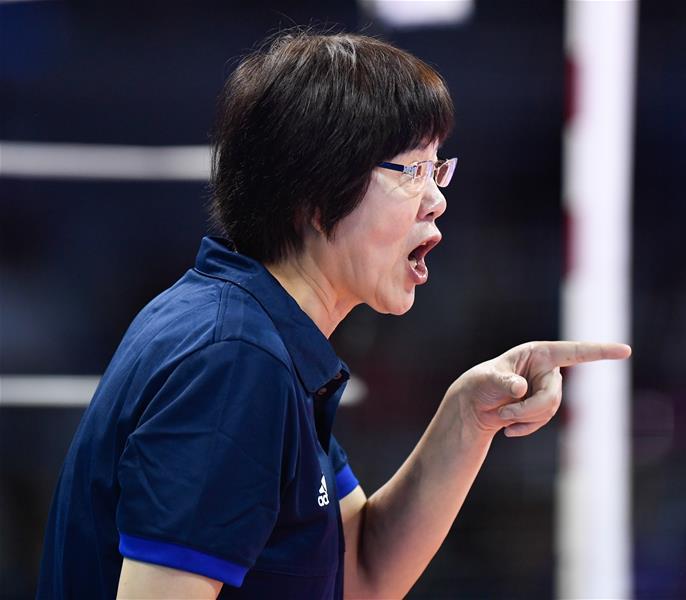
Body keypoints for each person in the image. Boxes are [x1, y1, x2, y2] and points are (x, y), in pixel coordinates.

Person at [37, 30, 630, 599]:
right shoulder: (233, 362)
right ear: (318, 195)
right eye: (414, 170)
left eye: (439, 169)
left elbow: (361, 574)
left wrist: (467, 417)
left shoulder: (259, 336)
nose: (438, 199)